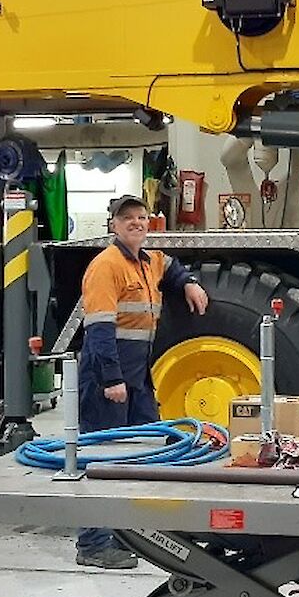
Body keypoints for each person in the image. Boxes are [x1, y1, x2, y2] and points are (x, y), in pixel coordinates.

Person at [74, 194, 210, 569]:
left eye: (142, 217)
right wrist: (111, 380)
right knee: (102, 460)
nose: (136, 222)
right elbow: (99, 330)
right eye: (127, 218)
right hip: (109, 378)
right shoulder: (106, 266)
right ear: (113, 225)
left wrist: (189, 283)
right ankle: (93, 543)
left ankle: (127, 534)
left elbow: (173, 268)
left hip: (137, 379)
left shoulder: (150, 263)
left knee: (142, 455)